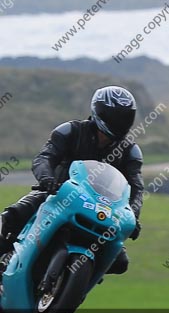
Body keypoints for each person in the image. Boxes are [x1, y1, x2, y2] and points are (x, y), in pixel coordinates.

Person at [0, 86, 144, 274]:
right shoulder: (70, 131)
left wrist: (133, 215)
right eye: (116, 116)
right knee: (13, 216)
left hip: (102, 210)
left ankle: (76, 283)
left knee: (120, 262)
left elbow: (137, 188)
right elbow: (44, 158)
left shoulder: (130, 151)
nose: (120, 122)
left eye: (125, 117)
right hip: (55, 195)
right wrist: (47, 179)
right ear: (100, 112)